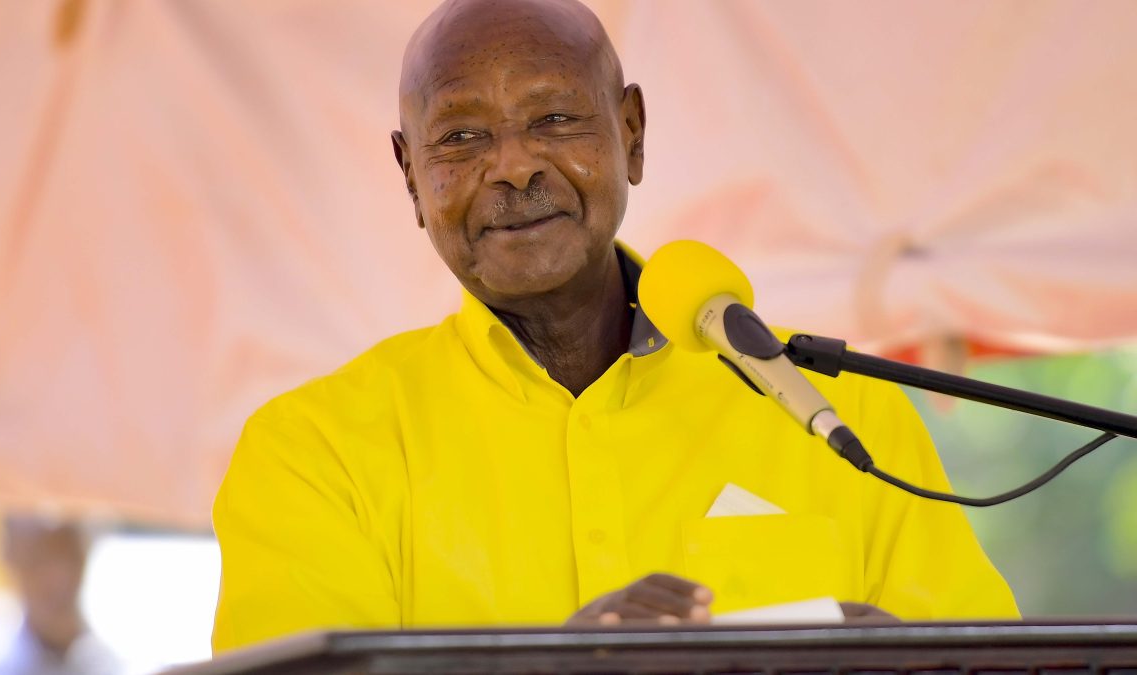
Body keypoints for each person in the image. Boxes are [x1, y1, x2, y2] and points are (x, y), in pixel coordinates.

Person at [211, 0, 1018, 652]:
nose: (516, 166)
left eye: (555, 119)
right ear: (411, 177)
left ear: (629, 133)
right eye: (461, 136)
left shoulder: (835, 416)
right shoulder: (313, 452)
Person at [0, 514, 124, 675]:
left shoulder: (116, 659)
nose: (59, 578)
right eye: (40, 558)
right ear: (10, 559)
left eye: (68, 553)